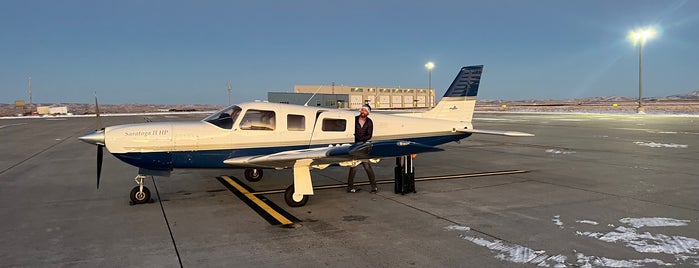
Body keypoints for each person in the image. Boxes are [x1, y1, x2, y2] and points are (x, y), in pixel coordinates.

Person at [347, 104, 378, 193]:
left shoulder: (369, 122)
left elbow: (369, 135)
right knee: (353, 166)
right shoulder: (354, 119)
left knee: (367, 166)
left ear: (368, 113)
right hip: (354, 146)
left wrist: (361, 140)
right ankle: (350, 187)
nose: (362, 112)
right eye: (362, 110)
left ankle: (374, 186)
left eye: (365, 110)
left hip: (363, 147)